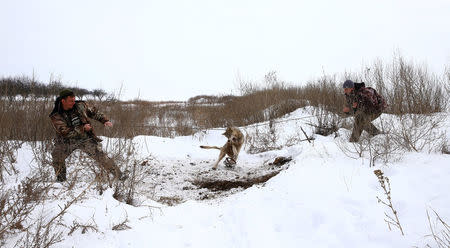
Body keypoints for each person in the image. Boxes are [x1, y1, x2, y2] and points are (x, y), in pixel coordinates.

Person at [49, 89, 125, 182]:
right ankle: (61, 180)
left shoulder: (80, 105)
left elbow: (94, 112)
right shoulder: (56, 115)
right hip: (66, 141)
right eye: (71, 101)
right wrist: (82, 128)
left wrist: (105, 120)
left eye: (74, 100)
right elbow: (64, 132)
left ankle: (120, 176)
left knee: (101, 156)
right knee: (57, 155)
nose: (73, 102)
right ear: (63, 101)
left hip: (84, 138)